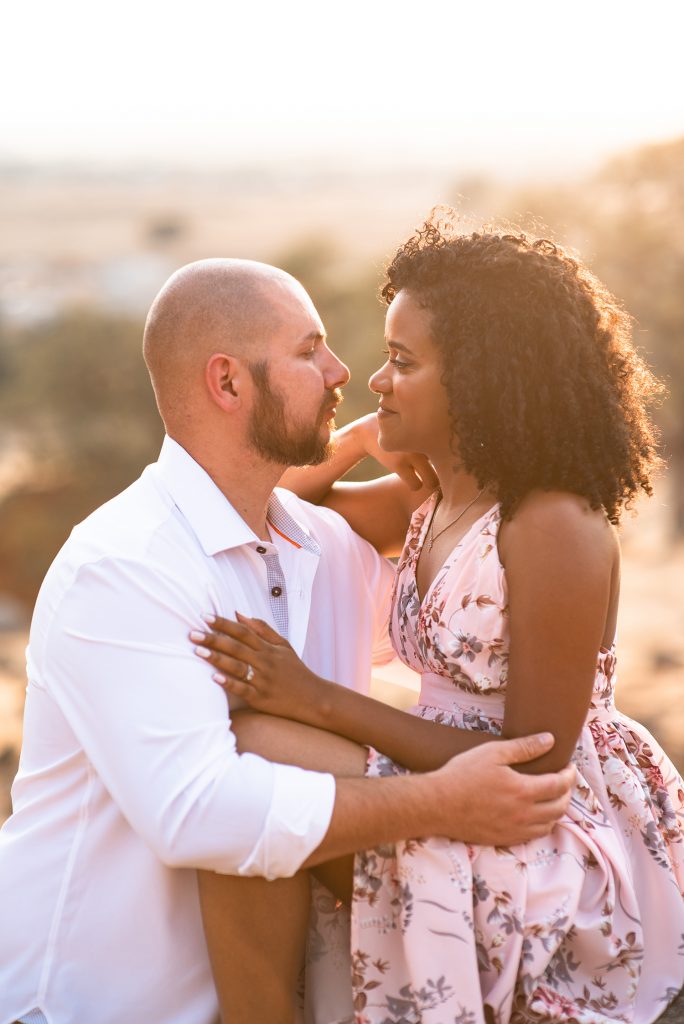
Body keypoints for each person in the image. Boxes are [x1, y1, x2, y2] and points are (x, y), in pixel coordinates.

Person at [0, 258, 573, 1024]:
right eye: (310, 352)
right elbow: (199, 812)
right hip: (92, 1006)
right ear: (229, 383)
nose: (344, 371)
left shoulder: (321, 545)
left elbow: (447, 641)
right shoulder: (125, 567)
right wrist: (439, 801)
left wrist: (372, 441)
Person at [192, 220, 684, 1023]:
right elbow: (280, 500)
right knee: (257, 780)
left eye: (404, 363)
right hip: (446, 776)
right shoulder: (435, 501)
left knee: (260, 767)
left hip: (544, 828)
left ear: (486, 381)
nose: (376, 379)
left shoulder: (550, 523)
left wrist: (314, 697)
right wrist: (356, 439)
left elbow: (533, 768)